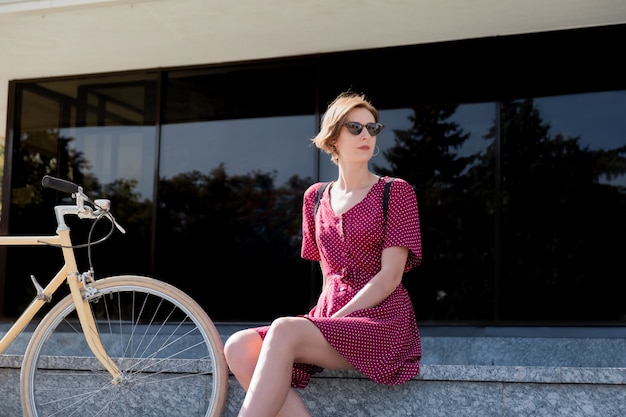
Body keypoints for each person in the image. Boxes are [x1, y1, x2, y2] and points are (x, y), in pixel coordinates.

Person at [224, 91, 423, 417]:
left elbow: (390, 278)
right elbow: (328, 275)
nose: (365, 136)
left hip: (381, 321)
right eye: (354, 127)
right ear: (333, 136)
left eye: (372, 129)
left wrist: (333, 321)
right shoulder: (315, 198)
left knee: (285, 328)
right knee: (239, 346)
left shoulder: (395, 191)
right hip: (329, 318)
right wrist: (324, 322)